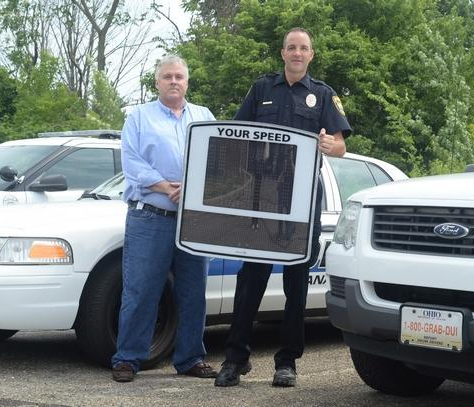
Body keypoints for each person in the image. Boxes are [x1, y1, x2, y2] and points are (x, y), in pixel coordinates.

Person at [214, 27, 352, 388]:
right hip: (261, 200)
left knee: (296, 283)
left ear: (311, 55)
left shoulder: (322, 95)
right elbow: (236, 134)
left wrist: (328, 144)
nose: (296, 53)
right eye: (291, 47)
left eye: (303, 48)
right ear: (283, 53)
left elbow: (341, 146)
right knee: (250, 280)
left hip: (302, 201)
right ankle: (235, 358)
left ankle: (287, 361)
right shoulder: (262, 89)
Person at [111, 54, 218, 382]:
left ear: (187, 82)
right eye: (167, 76)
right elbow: (131, 161)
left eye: (179, 77)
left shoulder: (203, 116)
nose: (174, 81)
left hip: (194, 219)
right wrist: (164, 186)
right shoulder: (139, 117)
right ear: (157, 82)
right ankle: (128, 358)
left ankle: (190, 358)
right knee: (141, 290)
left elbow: (217, 160)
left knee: (193, 291)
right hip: (150, 218)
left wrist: (191, 188)